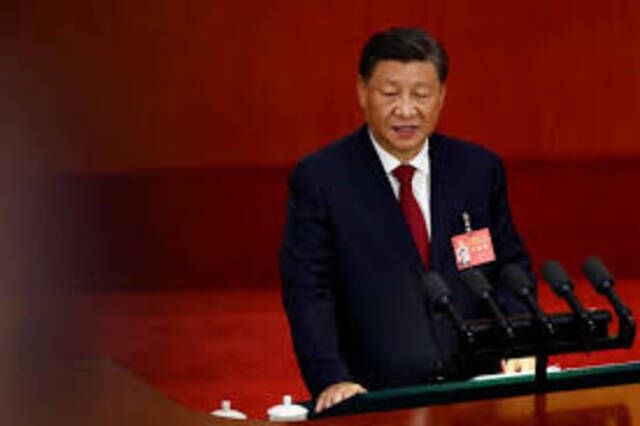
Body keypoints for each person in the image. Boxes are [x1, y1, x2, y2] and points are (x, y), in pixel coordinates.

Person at [280, 27, 534, 413]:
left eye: (420, 94)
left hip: (476, 394)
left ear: (442, 95)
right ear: (362, 92)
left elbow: (510, 268)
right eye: (389, 93)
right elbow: (309, 293)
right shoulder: (321, 180)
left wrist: (519, 343)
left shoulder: (478, 171)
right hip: (375, 398)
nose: (405, 110)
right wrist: (331, 378)